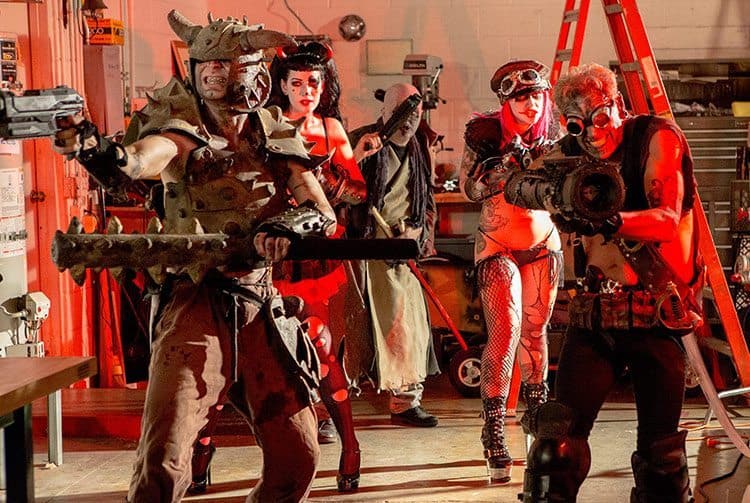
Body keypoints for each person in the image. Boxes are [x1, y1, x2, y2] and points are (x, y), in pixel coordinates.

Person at [53, 10, 338, 503]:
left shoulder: (274, 133)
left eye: (227, 64)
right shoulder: (181, 130)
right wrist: (99, 152)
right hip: (194, 302)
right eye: (207, 63)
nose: (214, 74)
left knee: (297, 458)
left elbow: (321, 211)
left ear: (256, 73)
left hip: (259, 303)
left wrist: (283, 226)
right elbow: (141, 159)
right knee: (162, 462)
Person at [188, 41, 366, 494]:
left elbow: (357, 193)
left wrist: (323, 180)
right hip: (262, 253)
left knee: (322, 349)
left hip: (315, 254)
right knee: (233, 356)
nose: (307, 91)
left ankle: (350, 446)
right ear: (280, 86)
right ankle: (201, 449)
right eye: (297, 83)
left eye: (314, 82)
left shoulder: (330, 128)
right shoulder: (263, 125)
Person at [521, 63, 701, 502]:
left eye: (601, 117)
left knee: (661, 460)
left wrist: (607, 218)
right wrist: (549, 191)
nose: (594, 132)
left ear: (617, 103)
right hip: (596, 316)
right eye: (579, 124)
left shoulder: (657, 138)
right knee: (553, 449)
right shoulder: (570, 150)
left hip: (657, 313)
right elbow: (514, 185)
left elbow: (665, 220)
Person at [458, 59, 562, 484]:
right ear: (505, 101)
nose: (530, 105)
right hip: (498, 244)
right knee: (504, 334)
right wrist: (501, 167)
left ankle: (537, 416)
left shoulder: (556, 132)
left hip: (542, 244)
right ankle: (494, 427)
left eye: (536, 95)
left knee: (535, 333)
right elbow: (468, 188)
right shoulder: (483, 132)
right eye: (520, 98)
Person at [346, 82, 441, 428]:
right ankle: (330, 410)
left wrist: (417, 233)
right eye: (400, 112)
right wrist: (356, 158)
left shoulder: (420, 148)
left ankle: (405, 403)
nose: (408, 121)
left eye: (415, 113)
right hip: (362, 250)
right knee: (352, 331)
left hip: (402, 251)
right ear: (384, 111)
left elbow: (426, 201)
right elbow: (335, 186)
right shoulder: (361, 140)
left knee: (408, 328)